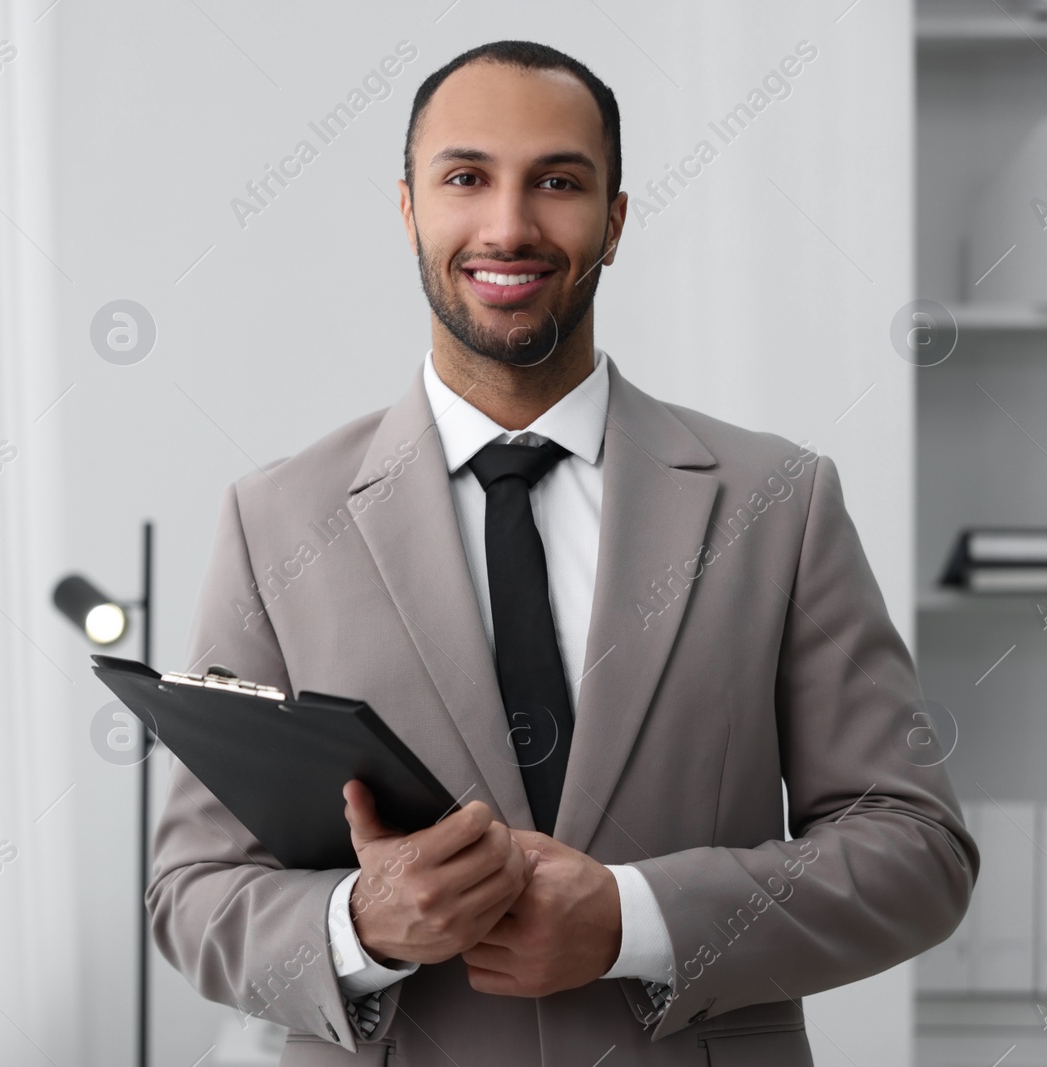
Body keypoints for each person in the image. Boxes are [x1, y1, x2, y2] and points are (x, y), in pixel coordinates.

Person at [146, 39, 977, 1065]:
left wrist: (635, 919)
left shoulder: (779, 502)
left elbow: (916, 848)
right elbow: (190, 892)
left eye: (558, 182)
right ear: (407, 210)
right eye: (465, 178)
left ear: (614, 221)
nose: (508, 225)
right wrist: (358, 924)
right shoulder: (274, 517)